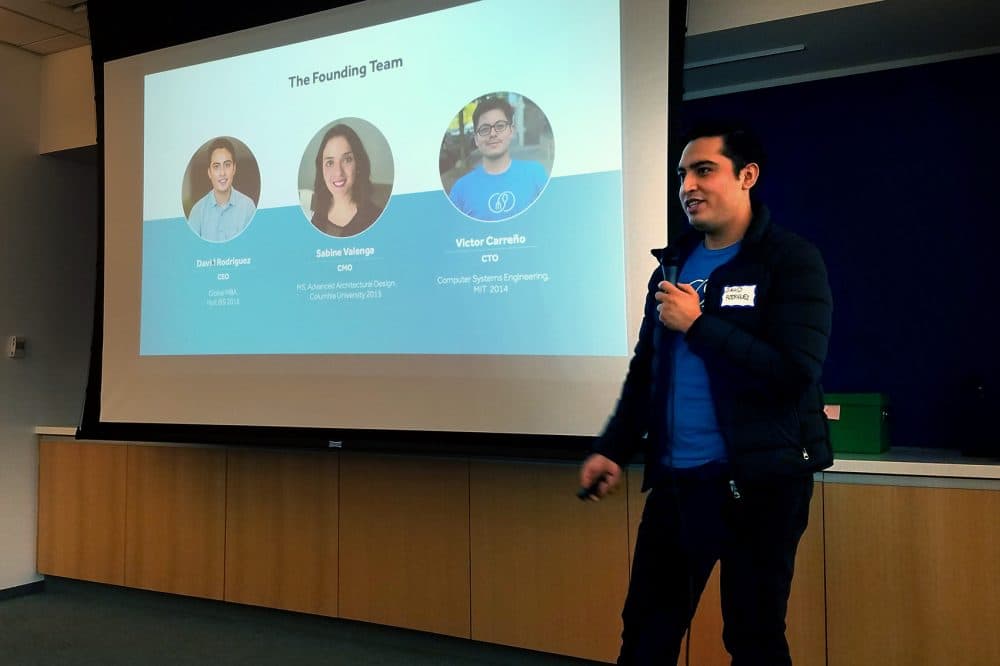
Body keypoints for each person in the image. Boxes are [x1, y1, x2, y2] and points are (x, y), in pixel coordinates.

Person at [579, 122, 833, 665]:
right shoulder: (672, 269)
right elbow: (647, 371)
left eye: (704, 170)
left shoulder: (790, 260)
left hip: (760, 485)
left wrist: (699, 325)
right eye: (681, 175)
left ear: (747, 176)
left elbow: (794, 371)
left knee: (753, 635)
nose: (688, 186)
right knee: (646, 631)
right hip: (678, 484)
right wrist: (613, 446)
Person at [448, 97, 548, 221]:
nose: (493, 133)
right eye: (484, 129)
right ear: (476, 139)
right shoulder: (460, 190)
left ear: (511, 131)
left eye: (500, 126)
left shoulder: (536, 173)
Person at [310, 124, 383, 238]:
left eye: (347, 160)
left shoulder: (376, 217)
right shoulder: (319, 212)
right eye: (330, 162)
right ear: (321, 169)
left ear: (358, 164)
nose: (338, 172)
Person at [187, 138, 256, 242]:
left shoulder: (248, 207)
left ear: (234, 169)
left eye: (227, 165)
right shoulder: (197, 211)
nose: (222, 173)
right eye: (216, 166)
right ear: (209, 172)